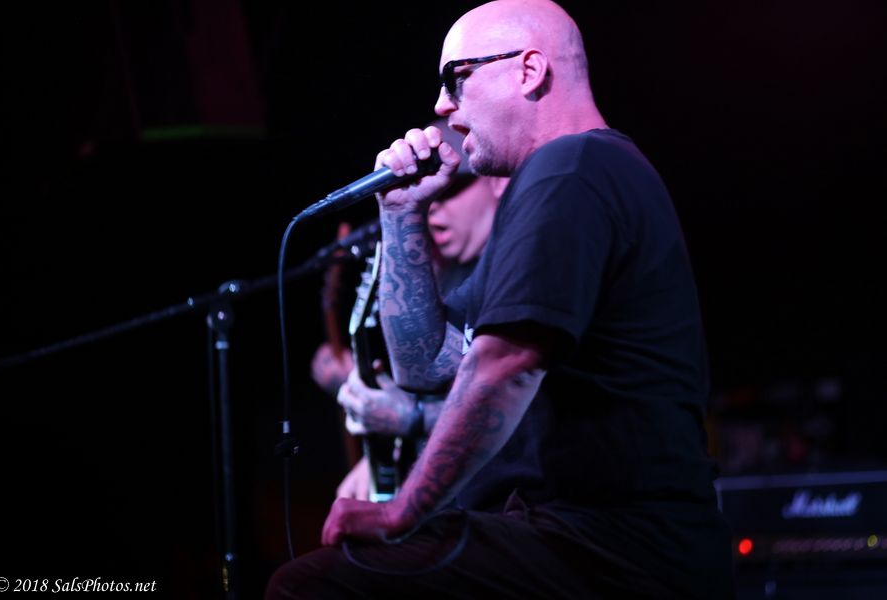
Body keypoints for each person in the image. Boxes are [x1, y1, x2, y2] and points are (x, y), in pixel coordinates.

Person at [268, 1, 733, 598]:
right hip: (577, 538)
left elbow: (504, 363)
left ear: (529, 70)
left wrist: (401, 511)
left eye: (456, 78)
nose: (442, 105)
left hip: (611, 547)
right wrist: (401, 211)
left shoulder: (571, 168)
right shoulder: (563, 179)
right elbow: (424, 365)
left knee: (307, 587)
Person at [309, 118, 507, 500]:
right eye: (428, 192)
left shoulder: (516, 271)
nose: (434, 205)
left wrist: (409, 418)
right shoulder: (439, 272)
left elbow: (515, 409)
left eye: (450, 189)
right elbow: (425, 380)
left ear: (496, 182)